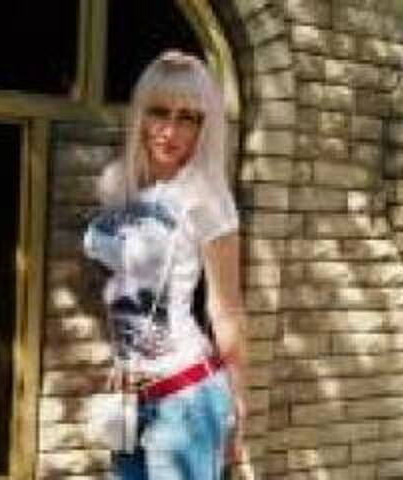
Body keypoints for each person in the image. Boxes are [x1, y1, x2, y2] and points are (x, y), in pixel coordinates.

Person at [83, 50, 248, 480]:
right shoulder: (124, 188)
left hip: (186, 402)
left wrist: (238, 402)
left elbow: (226, 309)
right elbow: (129, 287)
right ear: (141, 114)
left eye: (188, 117)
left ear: (204, 127)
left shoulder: (207, 198)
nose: (170, 130)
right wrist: (124, 359)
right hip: (131, 399)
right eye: (159, 112)